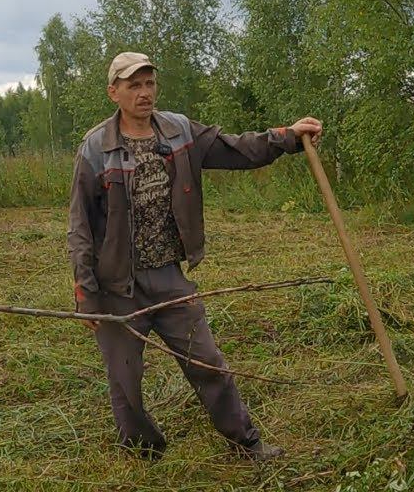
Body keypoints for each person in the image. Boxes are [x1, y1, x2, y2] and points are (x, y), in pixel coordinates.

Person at [67, 51, 322, 461]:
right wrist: (86, 292)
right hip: (118, 286)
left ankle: (246, 443)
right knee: (124, 380)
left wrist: (287, 136)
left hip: (169, 278)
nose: (145, 93)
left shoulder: (179, 131)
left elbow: (236, 149)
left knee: (208, 363)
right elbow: (80, 225)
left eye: (150, 83)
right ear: (114, 92)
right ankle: (142, 449)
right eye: (134, 85)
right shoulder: (96, 148)